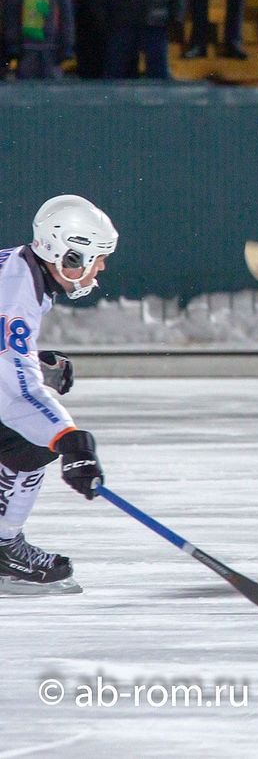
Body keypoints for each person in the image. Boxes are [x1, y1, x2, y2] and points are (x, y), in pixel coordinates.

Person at [0, 195, 116, 593]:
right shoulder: (16, 294)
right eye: (96, 258)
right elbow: (15, 394)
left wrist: (32, 359)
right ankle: (3, 548)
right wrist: (71, 440)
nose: (100, 267)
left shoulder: (17, 266)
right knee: (32, 438)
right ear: (68, 257)